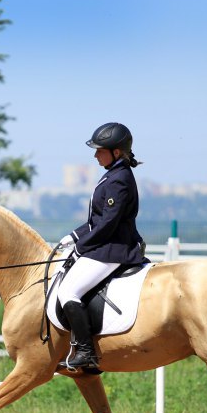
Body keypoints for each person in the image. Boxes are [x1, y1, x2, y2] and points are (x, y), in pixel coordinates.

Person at [57, 122, 145, 370]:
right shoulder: (114, 173)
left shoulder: (120, 179)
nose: (95, 155)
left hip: (113, 249)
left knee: (68, 292)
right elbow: (96, 220)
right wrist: (74, 236)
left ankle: (86, 351)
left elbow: (107, 224)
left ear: (116, 152)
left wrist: (81, 247)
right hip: (106, 244)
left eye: (100, 150)